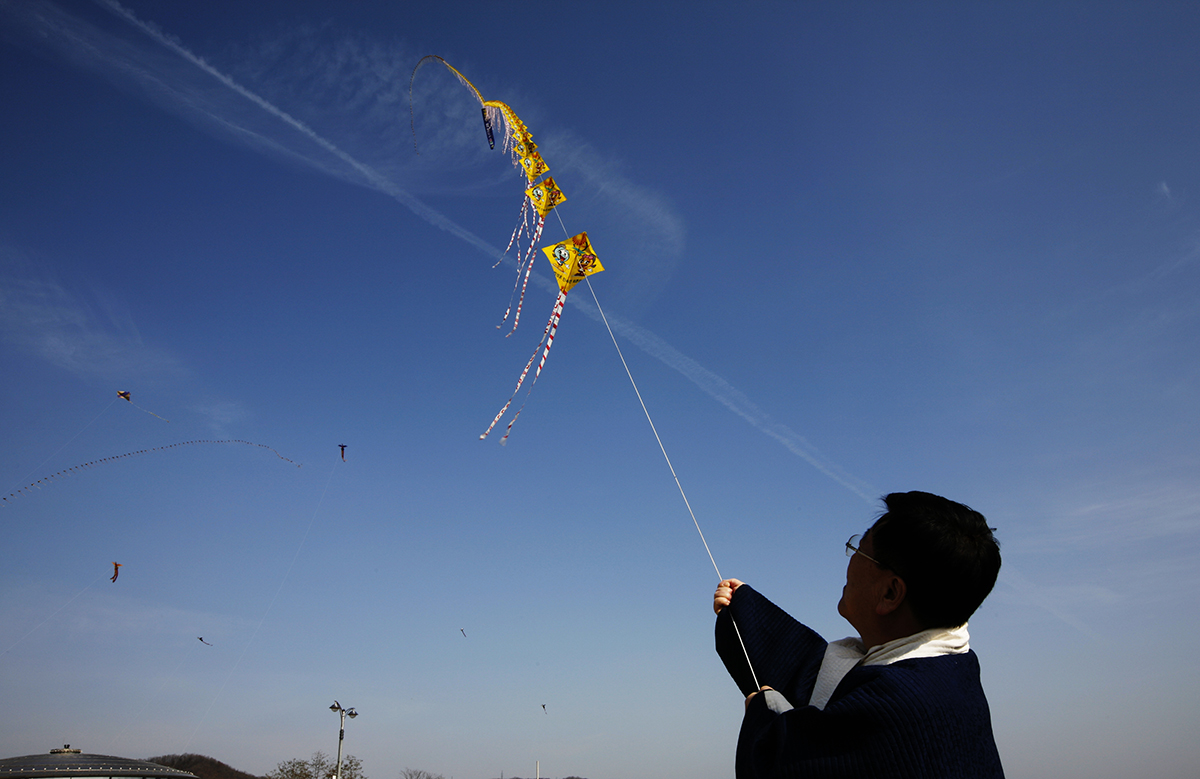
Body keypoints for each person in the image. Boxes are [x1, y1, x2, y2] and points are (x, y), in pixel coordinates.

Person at [713, 491, 1004, 778]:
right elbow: (815, 672)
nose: (849, 561)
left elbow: (777, 763)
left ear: (890, 592)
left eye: (859, 550)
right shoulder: (950, 670)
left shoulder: (896, 710)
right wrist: (744, 609)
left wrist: (761, 713)